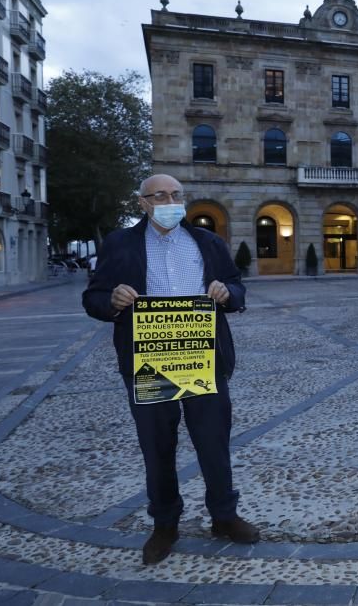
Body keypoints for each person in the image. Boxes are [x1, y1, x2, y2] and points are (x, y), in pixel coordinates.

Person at [82, 174, 259, 565]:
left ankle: (224, 516)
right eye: (160, 195)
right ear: (142, 202)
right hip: (150, 360)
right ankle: (165, 524)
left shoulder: (207, 242)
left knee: (213, 442)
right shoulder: (119, 243)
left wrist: (229, 294)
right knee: (157, 447)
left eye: (176, 195)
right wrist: (111, 299)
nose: (169, 200)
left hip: (202, 357)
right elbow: (92, 297)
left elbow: (236, 285)